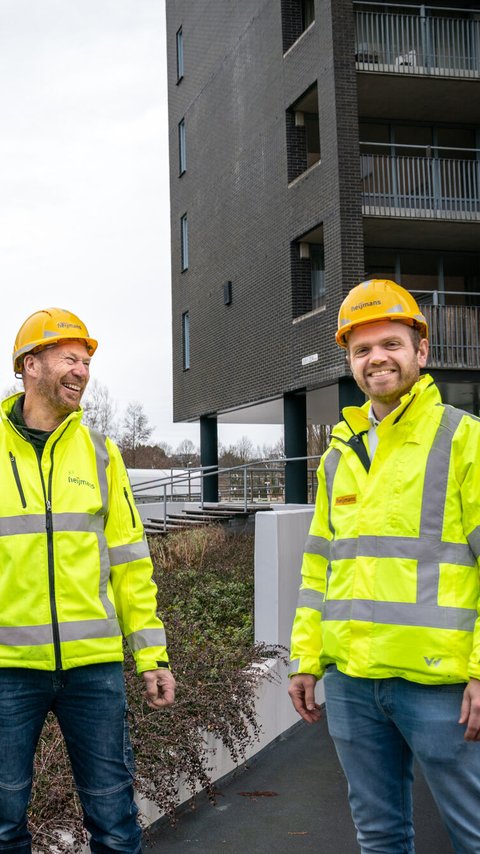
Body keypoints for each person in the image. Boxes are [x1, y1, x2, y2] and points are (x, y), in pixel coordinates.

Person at [288, 279, 480, 854]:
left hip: (440, 685)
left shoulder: (463, 441)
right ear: (350, 361)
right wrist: (307, 657)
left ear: (421, 351)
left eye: (391, 344)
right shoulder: (338, 454)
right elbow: (319, 565)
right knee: (379, 837)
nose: (377, 359)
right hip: (352, 681)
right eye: (362, 349)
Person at [0, 307, 176, 854]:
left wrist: (152, 657)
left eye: (86, 361)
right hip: (7, 670)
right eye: (70, 358)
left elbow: (129, 564)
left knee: (116, 824)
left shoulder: (103, 454)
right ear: (31, 366)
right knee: (3, 828)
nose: (82, 371)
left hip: (94, 672)